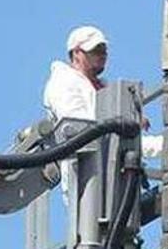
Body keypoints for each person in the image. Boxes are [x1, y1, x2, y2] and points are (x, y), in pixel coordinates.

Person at [44, 25, 161, 201]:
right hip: (86, 177)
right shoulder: (64, 83)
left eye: (104, 49)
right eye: (95, 50)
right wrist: (159, 144)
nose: (102, 54)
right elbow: (85, 132)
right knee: (93, 224)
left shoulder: (103, 88)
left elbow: (115, 135)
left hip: (114, 173)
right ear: (76, 53)